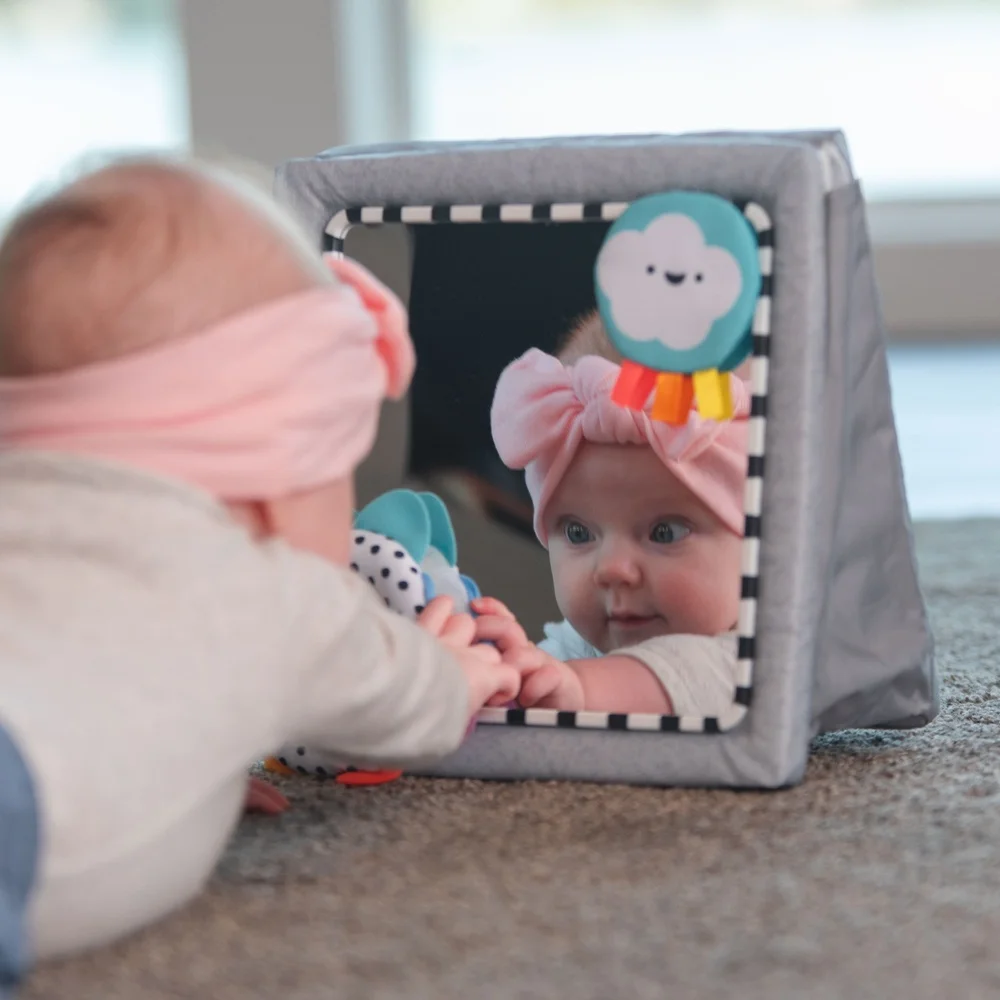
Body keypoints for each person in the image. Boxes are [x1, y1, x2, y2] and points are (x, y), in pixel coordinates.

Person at [0, 154, 520, 970]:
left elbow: (83, 673)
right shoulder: (270, 592)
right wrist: (450, 676)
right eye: (336, 478)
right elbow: (402, 702)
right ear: (277, 483)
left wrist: (188, 755)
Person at [473, 310, 748, 717]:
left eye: (666, 532)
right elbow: (544, 684)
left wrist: (577, 688)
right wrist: (502, 674)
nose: (613, 569)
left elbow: (681, 673)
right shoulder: (579, 646)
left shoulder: (760, 658)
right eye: (579, 533)